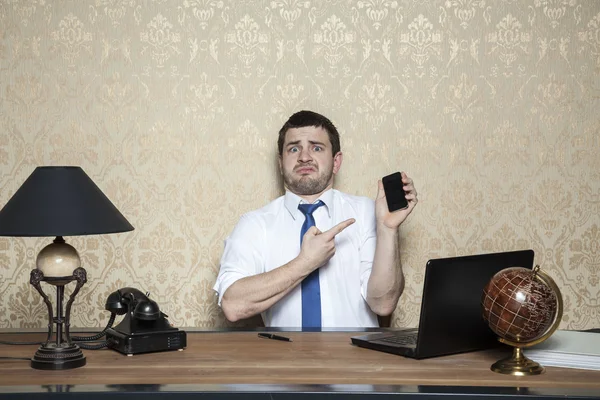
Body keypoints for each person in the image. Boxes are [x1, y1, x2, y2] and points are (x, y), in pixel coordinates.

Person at [213, 110, 418, 327]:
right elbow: (232, 305)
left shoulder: (368, 213)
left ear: (336, 161)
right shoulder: (254, 224)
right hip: (285, 358)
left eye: (316, 147)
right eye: (294, 148)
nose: (304, 157)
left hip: (356, 358)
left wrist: (387, 229)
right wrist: (306, 263)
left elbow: (383, 304)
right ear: (281, 163)